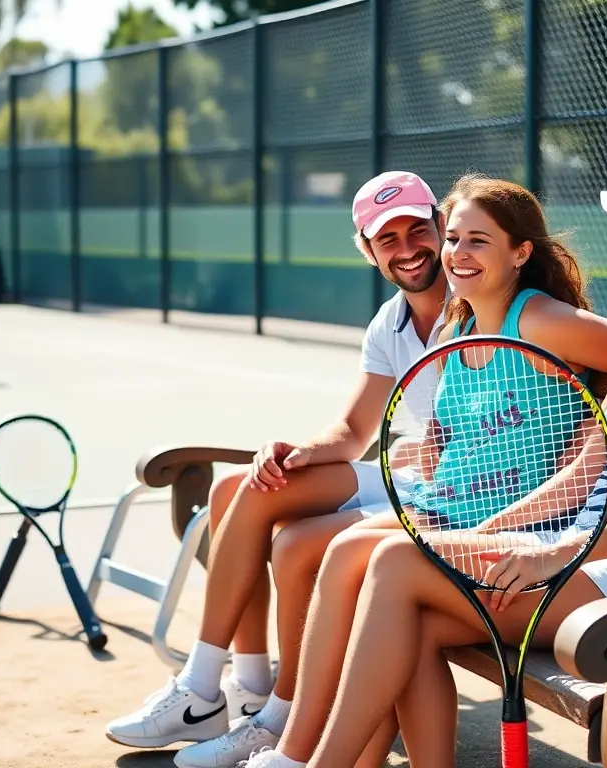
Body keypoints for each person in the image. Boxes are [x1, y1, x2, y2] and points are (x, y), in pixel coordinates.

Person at [238, 172, 607, 768]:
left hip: (515, 529)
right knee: (346, 555)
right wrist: (428, 447)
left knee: (365, 565)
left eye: (477, 241)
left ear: (521, 252)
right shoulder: (456, 327)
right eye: (453, 238)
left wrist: (594, 427)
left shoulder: (539, 320)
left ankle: (296, 756)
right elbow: (454, 429)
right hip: (449, 508)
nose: (457, 253)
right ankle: (310, 749)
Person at [104, 170, 452, 765]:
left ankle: (269, 713)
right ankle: (218, 684)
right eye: (387, 239)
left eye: (417, 230)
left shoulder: (475, 300)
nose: (407, 249)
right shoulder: (389, 322)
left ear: (441, 227)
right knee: (243, 483)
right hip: (412, 480)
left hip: (449, 496)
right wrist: (294, 450)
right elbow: (352, 432)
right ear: (367, 250)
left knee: (294, 543)